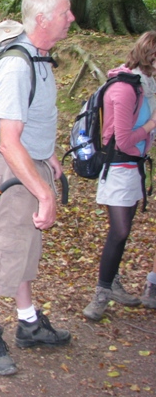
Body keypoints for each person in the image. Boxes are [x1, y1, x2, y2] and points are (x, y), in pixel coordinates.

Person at [0, 0, 75, 376]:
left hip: (31, 167)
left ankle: (29, 322)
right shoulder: (16, 66)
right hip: (12, 172)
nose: (72, 18)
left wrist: (48, 153)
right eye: (66, 12)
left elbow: (30, 121)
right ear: (43, 17)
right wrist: (44, 195)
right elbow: (9, 141)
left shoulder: (39, 59)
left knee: (24, 249)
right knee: (2, 251)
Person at [83, 31, 156, 320]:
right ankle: (102, 292)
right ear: (148, 56)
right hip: (117, 168)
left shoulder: (146, 87)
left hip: (134, 168)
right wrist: (151, 125)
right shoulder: (125, 89)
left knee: (122, 232)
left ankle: (111, 283)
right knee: (120, 230)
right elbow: (123, 140)